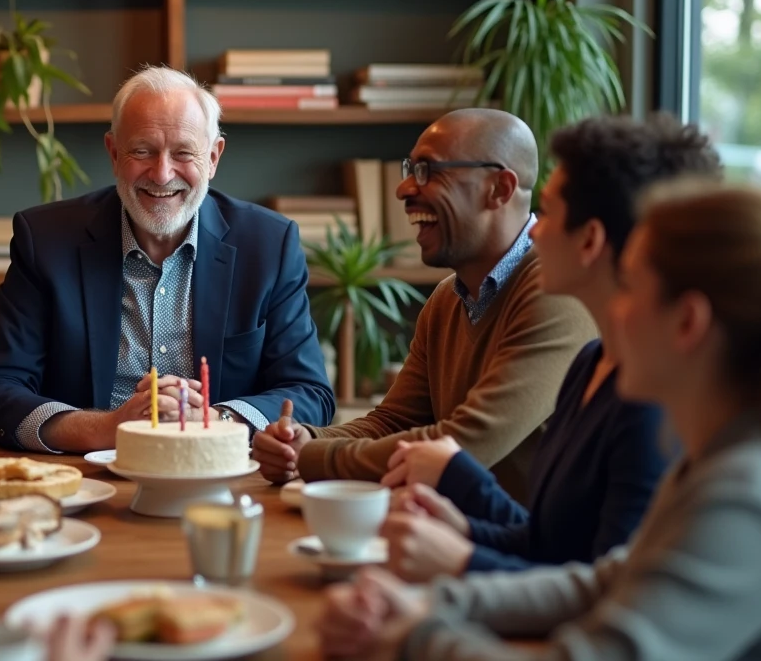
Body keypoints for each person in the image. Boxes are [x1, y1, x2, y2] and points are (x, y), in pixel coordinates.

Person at [316, 180, 761, 661]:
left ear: (688, 323)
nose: (612, 312)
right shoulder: (711, 462)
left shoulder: (744, 497)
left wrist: (416, 634)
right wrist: (429, 602)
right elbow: (601, 584)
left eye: (630, 287)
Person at [374, 114, 719, 581]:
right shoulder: (591, 364)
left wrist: (462, 553)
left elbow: (603, 592)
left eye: (550, 213)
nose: (533, 231)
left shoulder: (649, 405)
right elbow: (550, 543)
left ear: (590, 240)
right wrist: (466, 527)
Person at [0, 66, 334, 453]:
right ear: (113, 153)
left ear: (212, 157)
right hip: (86, 473)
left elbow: (310, 394)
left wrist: (215, 422)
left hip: (219, 471)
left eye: (183, 153)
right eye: (142, 151)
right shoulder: (46, 241)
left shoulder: (269, 245)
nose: (161, 174)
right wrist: (107, 427)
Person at [254, 108, 596, 498]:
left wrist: (312, 455)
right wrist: (302, 439)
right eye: (410, 170)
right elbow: (393, 422)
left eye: (429, 171)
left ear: (499, 188)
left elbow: (464, 444)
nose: (403, 189)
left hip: (528, 539)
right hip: (453, 528)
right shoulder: (447, 298)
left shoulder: (558, 290)